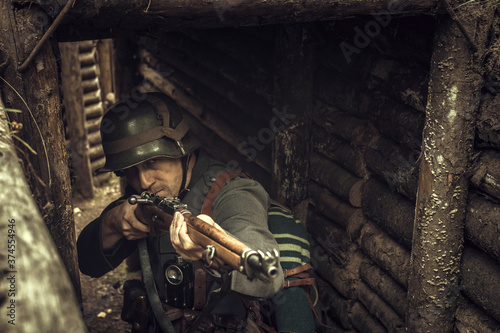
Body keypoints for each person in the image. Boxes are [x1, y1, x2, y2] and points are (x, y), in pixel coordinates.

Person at [77, 92, 284, 332]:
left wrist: (208, 256)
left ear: (183, 151)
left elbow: (269, 279)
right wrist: (112, 224)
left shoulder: (233, 192)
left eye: (151, 162)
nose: (143, 182)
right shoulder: (142, 202)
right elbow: (87, 263)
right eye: (130, 171)